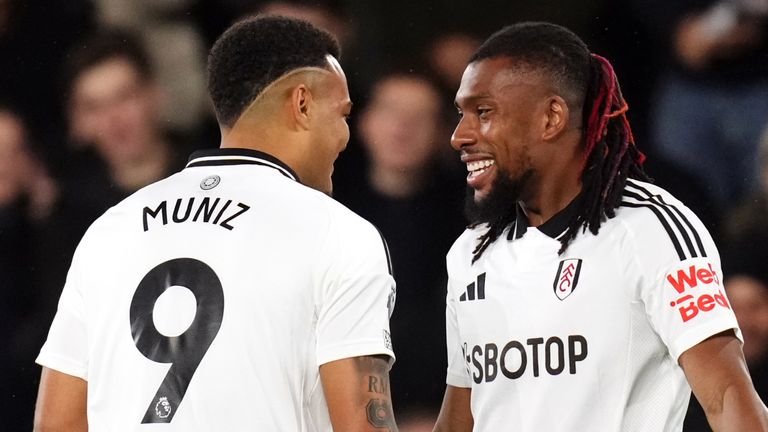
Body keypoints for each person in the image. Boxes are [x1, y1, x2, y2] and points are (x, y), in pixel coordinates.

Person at [34, 16, 398, 431]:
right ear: (302, 103)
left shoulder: (107, 231)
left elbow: (55, 425)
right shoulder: (339, 234)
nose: (344, 135)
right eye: (343, 114)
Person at [433, 22, 768, 431]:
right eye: (461, 114)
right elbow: (460, 420)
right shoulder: (471, 251)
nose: (458, 136)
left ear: (551, 117)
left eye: (482, 112)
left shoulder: (651, 229)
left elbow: (727, 398)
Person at [334, 71, 465, 426]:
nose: (403, 128)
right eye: (391, 111)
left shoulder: (469, 219)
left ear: (443, 134)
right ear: (364, 121)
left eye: (420, 117)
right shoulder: (327, 210)